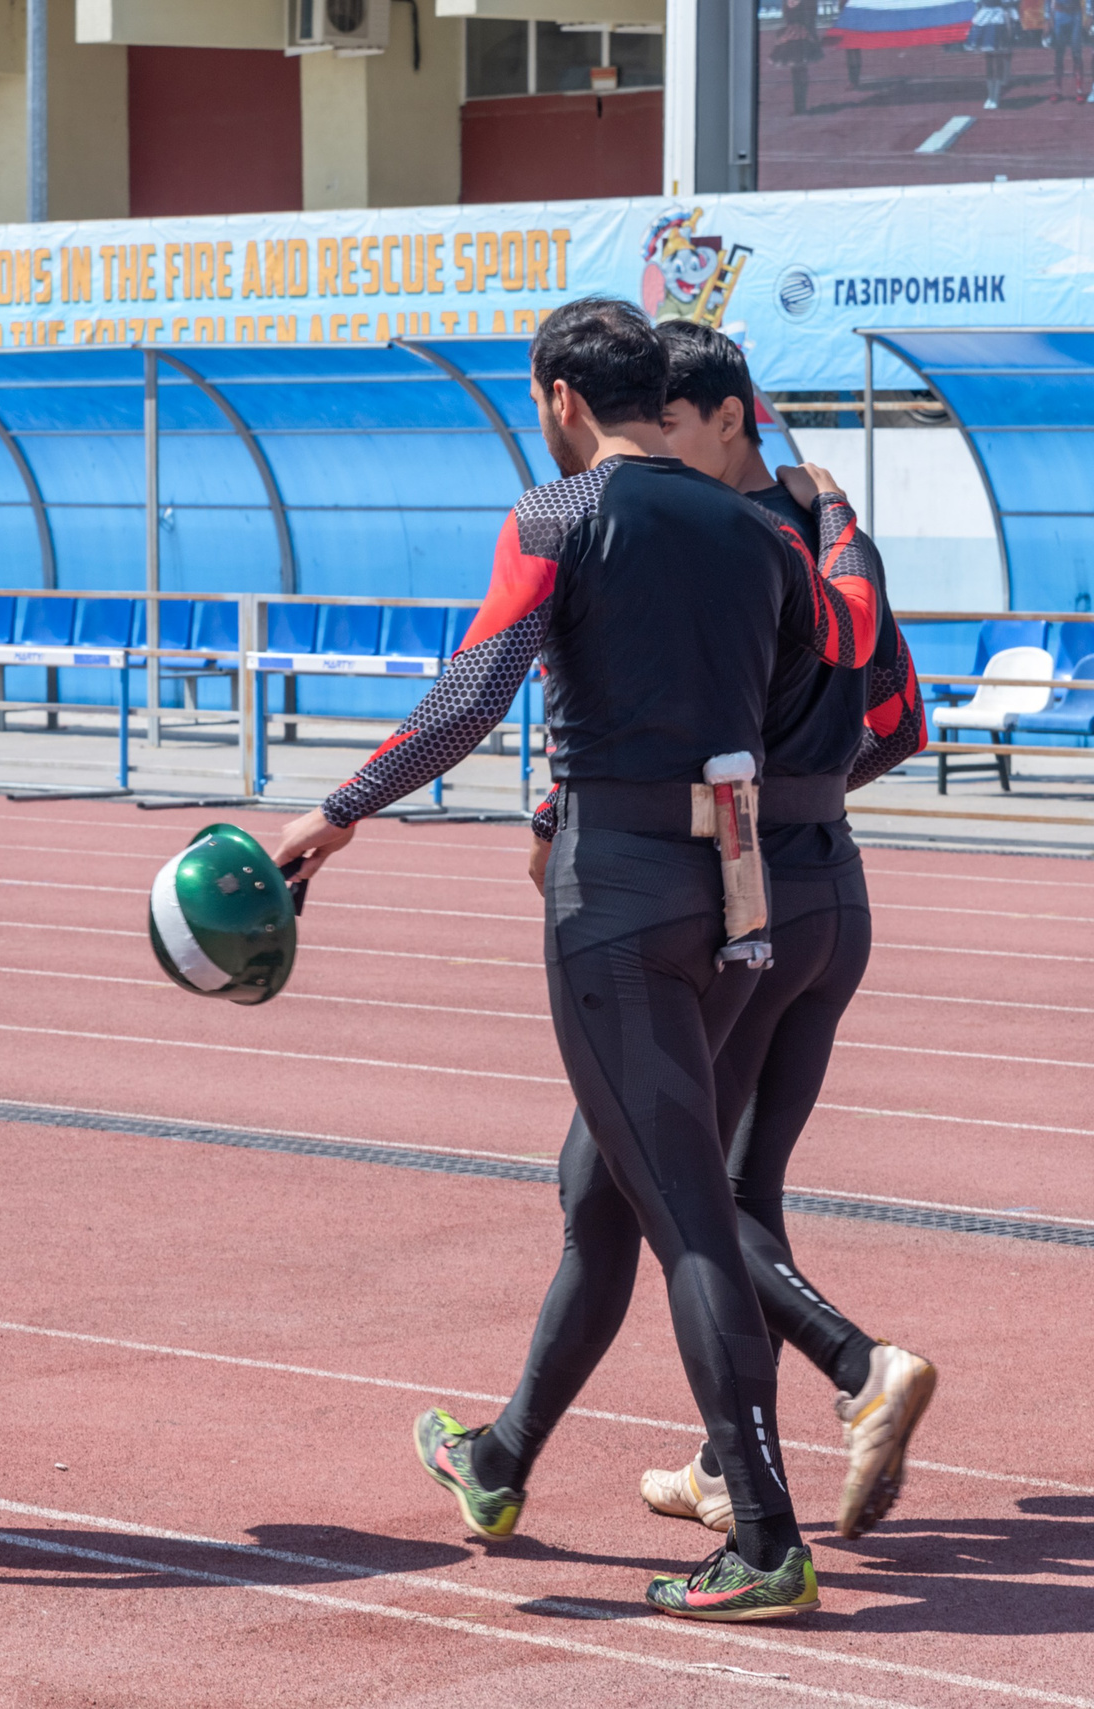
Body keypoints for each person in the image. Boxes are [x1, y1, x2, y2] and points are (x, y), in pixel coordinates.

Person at [268, 298, 875, 1621]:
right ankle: (500, 1455)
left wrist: (340, 809)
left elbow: (478, 688)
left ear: (556, 395)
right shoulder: (762, 533)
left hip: (616, 892)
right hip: (735, 884)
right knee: (616, 1181)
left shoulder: (557, 517)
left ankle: (767, 1534)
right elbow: (791, 725)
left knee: (691, 1217)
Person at [630, 324, 935, 1539]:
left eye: (665, 424)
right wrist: (813, 797)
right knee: (740, 1180)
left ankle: (861, 1367)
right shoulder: (816, 523)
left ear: (726, 415)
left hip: (749, 897)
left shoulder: (739, 542)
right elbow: (902, 719)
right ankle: (722, 1453)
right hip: (833, 881)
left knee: (680, 1184)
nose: (650, 447)